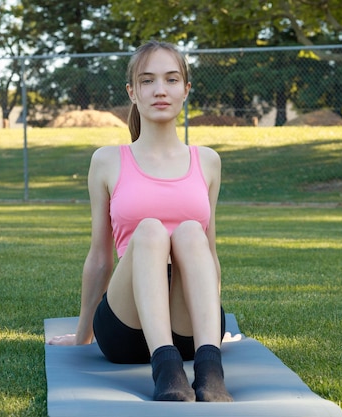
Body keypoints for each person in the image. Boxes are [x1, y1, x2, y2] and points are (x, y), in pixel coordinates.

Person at [47, 40, 233, 403]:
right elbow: (100, 257)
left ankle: (210, 369)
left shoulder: (208, 161)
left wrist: (214, 322)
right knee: (149, 230)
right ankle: (166, 368)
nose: (160, 90)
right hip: (126, 327)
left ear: (186, 90)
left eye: (171, 79)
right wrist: (83, 333)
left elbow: (209, 254)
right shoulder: (107, 161)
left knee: (191, 231)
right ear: (132, 92)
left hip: (189, 333)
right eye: (147, 81)